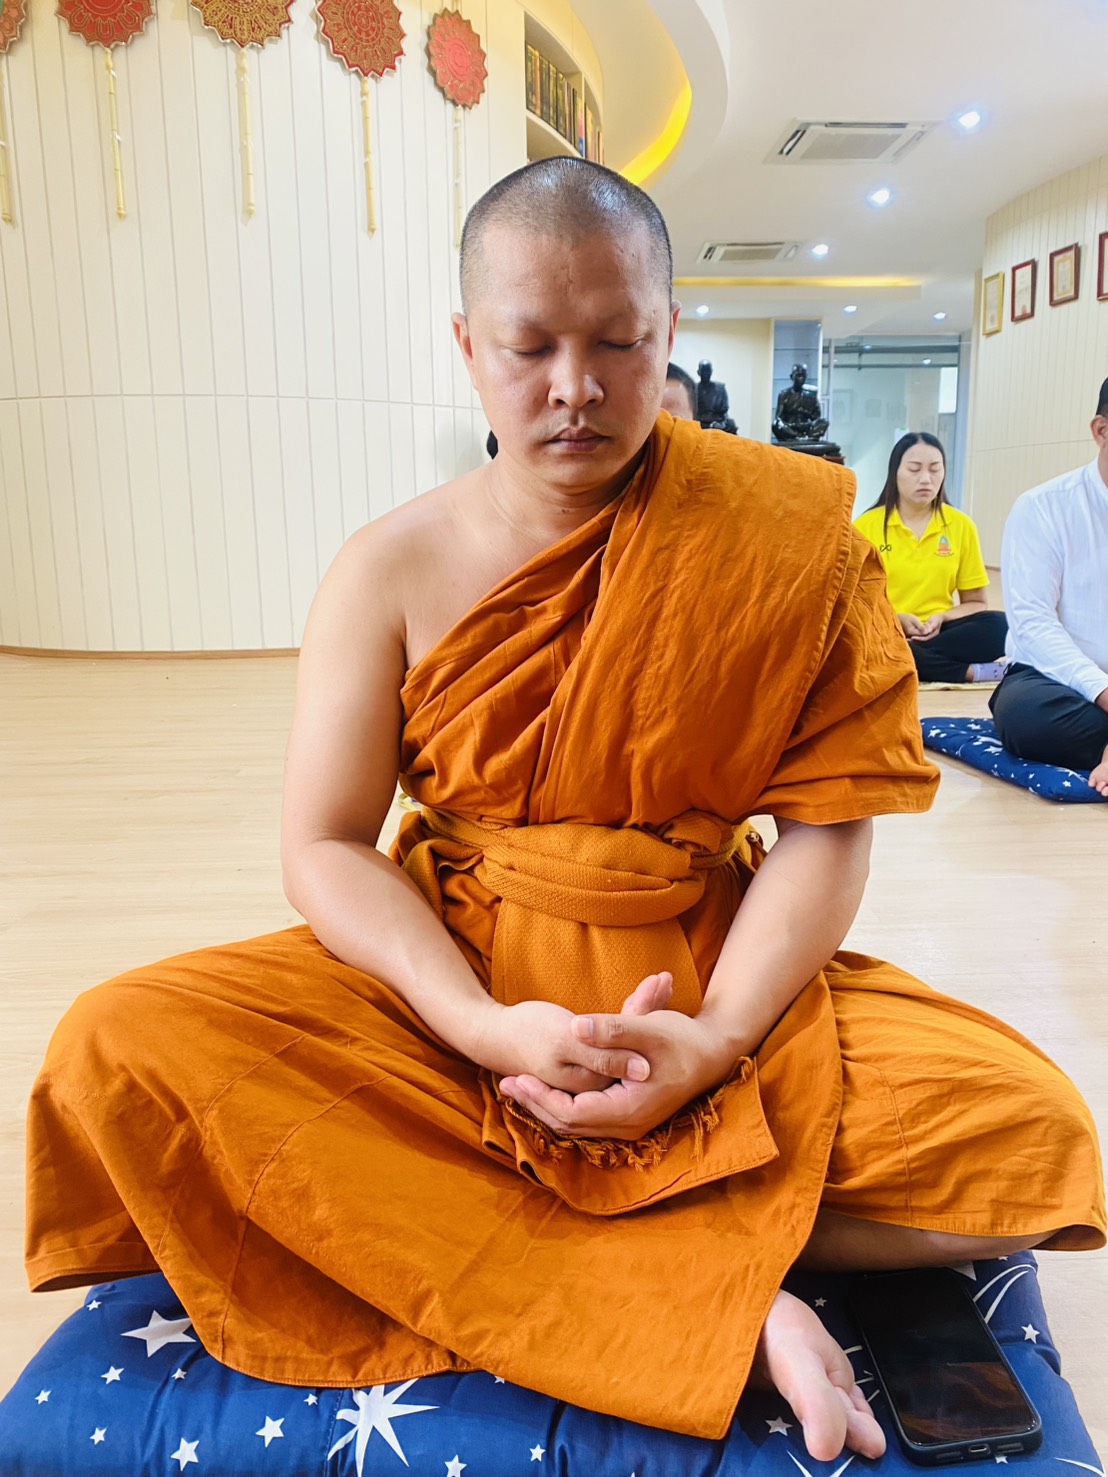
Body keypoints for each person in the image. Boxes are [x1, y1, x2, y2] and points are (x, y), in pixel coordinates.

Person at [25, 161, 1104, 1465]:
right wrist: (483, 1028)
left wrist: (715, 1039)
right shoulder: (388, 567)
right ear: (466, 346)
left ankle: (519, 1232)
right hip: (457, 988)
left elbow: (826, 830)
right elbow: (324, 844)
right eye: (530, 347)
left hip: (708, 969)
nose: (575, 386)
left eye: (618, 343)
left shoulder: (786, 537)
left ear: (669, 329)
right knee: (118, 1048)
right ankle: (707, 1279)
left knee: (1030, 1132)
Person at [990, 379, 1108, 795]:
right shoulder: (1043, 507)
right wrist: (1101, 689)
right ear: (1101, 430)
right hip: (1057, 678)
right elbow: (1033, 623)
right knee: (1025, 717)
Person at [855, 432, 1009, 684]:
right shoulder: (865, 526)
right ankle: (969, 672)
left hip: (939, 633)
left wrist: (942, 617)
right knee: (856, 641)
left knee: (1002, 626)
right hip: (883, 628)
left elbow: (976, 602)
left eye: (935, 469)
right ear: (895, 473)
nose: (926, 479)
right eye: (914, 469)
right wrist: (897, 620)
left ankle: (902, 660)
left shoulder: (961, 525)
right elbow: (854, 603)